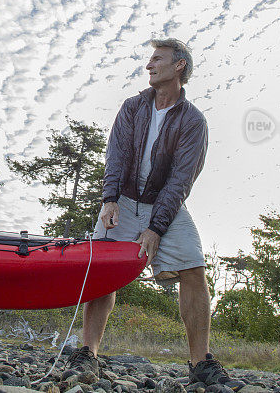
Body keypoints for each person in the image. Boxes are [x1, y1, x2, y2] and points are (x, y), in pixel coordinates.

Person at [66, 38, 230, 385]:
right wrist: (109, 199)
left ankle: (201, 363)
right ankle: (87, 353)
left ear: (179, 66)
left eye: (157, 59)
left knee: (193, 266)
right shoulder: (132, 107)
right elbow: (116, 156)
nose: (149, 65)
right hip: (122, 201)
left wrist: (155, 228)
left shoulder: (193, 121)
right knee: (102, 267)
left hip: (164, 204)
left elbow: (181, 181)